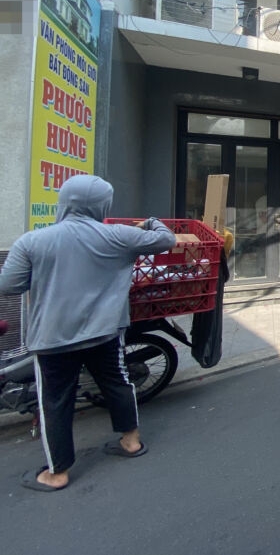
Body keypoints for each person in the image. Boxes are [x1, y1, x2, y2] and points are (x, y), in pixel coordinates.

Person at [0, 175, 176, 492]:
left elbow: (9, 285)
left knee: (55, 402)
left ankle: (58, 473)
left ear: (64, 202)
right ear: (103, 205)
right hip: (105, 332)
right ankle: (131, 442)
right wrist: (151, 221)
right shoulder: (119, 235)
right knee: (118, 383)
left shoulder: (32, 242)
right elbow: (167, 240)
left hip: (53, 339)